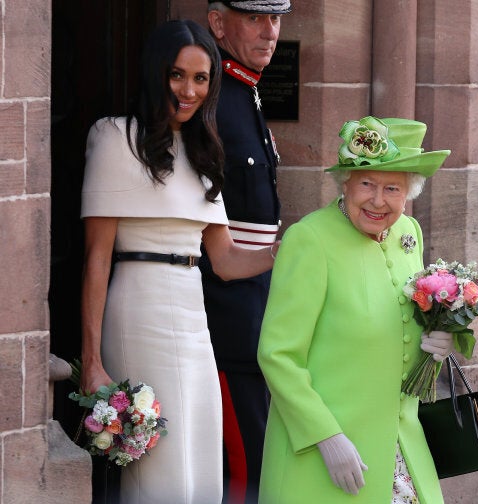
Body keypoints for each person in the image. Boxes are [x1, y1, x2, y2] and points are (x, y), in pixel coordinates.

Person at [79, 19, 278, 504]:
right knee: (159, 466)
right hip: (138, 308)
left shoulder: (204, 150)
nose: (188, 91)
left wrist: (288, 250)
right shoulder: (113, 136)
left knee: (200, 453)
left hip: (193, 314)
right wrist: (91, 361)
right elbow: (96, 259)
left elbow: (227, 261)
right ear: (155, 73)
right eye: (177, 75)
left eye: (200, 79)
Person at [257, 116, 455, 503]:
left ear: (409, 193)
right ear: (345, 183)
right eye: (367, 184)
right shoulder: (309, 240)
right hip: (324, 457)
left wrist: (437, 343)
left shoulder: (407, 234)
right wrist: (325, 437)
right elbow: (277, 355)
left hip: (400, 449)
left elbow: (401, 324)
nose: (378, 200)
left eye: (392, 188)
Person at [200, 2, 291, 503]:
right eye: (255, 18)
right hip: (227, 318)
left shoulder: (245, 93)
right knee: (243, 471)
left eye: (275, 19)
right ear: (218, 23)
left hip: (257, 309)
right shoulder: (210, 96)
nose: (269, 31)